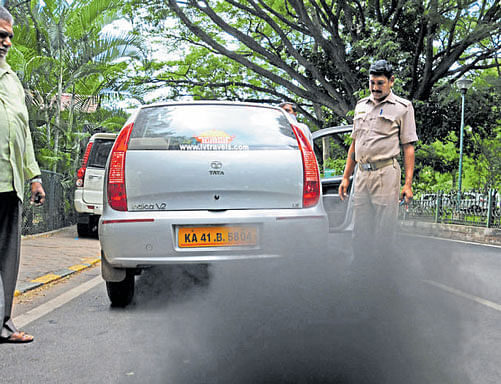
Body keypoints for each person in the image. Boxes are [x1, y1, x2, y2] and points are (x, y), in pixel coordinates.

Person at [338, 60, 418, 267]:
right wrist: (346, 177)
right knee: (360, 232)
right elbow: (354, 145)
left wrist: (407, 184)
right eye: (372, 83)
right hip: (362, 175)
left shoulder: (403, 108)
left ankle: (384, 278)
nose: (375, 88)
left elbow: (409, 147)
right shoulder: (360, 106)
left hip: (386, 173)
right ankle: (360, 276)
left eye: (380, 83)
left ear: (391, 81)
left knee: (384, 234)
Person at [0, 5, 45, 343]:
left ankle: (4, 323)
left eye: (10, 37)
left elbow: (24, 132)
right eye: (1, 35)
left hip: (8, 182)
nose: (6, 42)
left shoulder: (12, 80)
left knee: (7, 257)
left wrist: (34, 176)